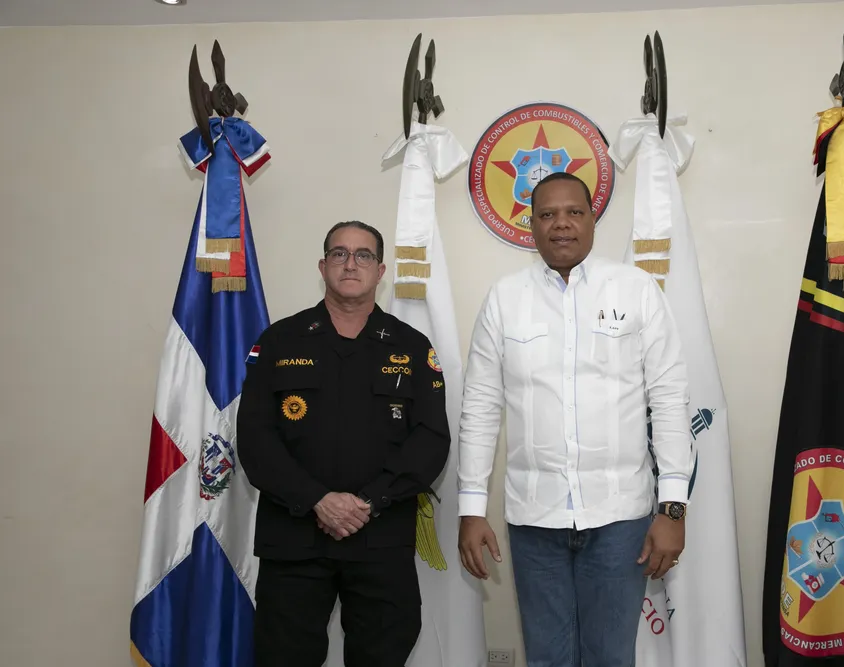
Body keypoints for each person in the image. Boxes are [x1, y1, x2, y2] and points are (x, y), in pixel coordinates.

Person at [456, 172, 694, 666]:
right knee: (547, 658)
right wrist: (471, 508)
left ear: (591, 220)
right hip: (533, 519)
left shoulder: (637, 290)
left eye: (573, 213)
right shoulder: (504, 298)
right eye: (547, 214)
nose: (561, 224)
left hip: (619, 518)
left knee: (610, 657)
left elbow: (669, 400)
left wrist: (672, 509)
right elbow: (480, 406)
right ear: (531, 224)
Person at [236, 220, 450, 667]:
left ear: (380, 270)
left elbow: (430, 440)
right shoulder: (278, 341)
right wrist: (317, 500)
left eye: (363, 255)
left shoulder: (412, 347)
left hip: (381, 538)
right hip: (294, 540)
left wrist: (369, 501)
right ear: (323, 266)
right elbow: (256, 439)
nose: (351, 264)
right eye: (339, 254)